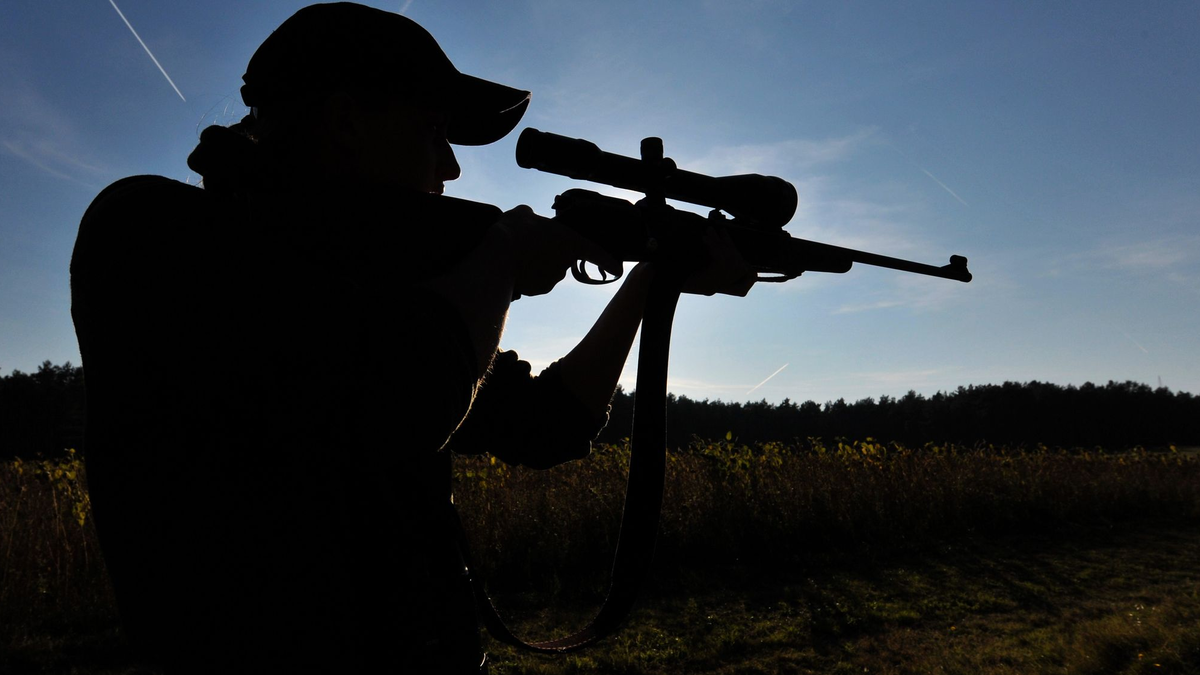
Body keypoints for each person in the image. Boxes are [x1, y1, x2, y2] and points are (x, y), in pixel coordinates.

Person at [71, 3, 753, 673]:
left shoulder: (383, 289)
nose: (451, 168)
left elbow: (548, 423)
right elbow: (393, 405)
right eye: (434, 131)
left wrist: (649, 279)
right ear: (345, 121)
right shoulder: (148, 233)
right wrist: (501, 260)